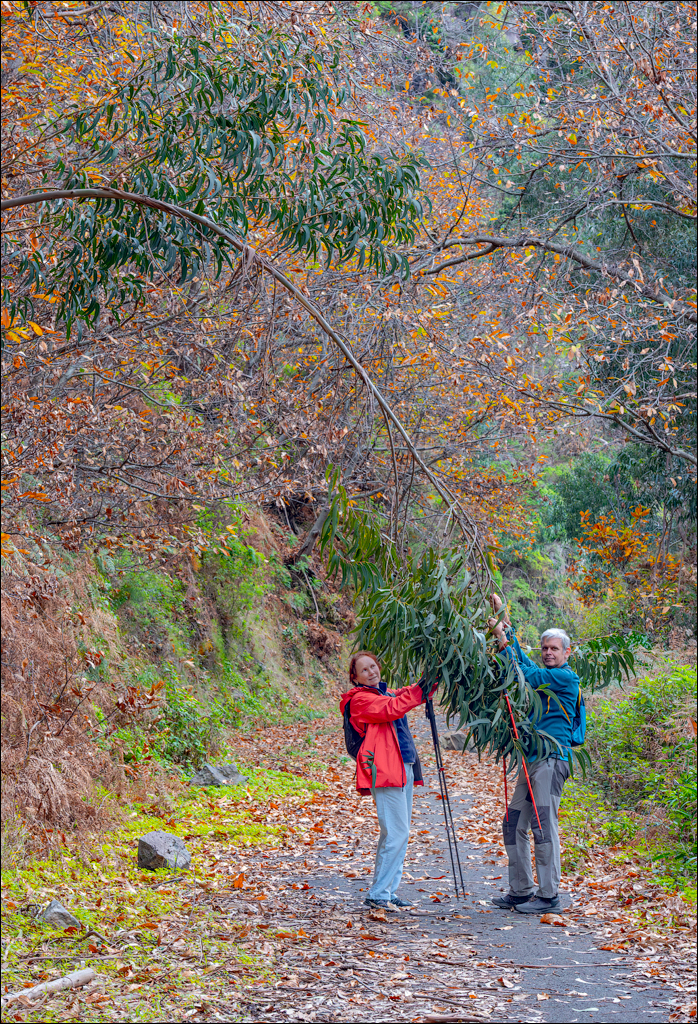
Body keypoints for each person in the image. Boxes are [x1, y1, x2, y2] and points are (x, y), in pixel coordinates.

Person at [488, 595, 580, 914]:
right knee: (514, 822)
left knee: (543, 824)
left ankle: (549, 895)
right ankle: (521, 890)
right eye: (545, 648)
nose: (549, 653)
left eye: (555, 648)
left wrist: (503, 637)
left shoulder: (566, 678)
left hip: (552, 759)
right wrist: (504, 620)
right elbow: (524, 666)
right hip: (532, 758)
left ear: (567, 652)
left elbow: (524, 673)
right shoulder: (543, 673)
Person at [339, 651, 435, 912]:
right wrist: (419, 691)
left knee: (395, 833)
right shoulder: (360, 700)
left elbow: (406, 693)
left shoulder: (383, 692)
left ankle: (387, 891)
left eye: (373, 666)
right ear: (355, 677)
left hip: (403, 766)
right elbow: (393, 709)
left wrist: (433, 677)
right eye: (364, 670)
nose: (371, 672)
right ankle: (379, 893)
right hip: (385, 769)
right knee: (397, 832)